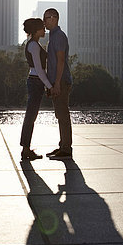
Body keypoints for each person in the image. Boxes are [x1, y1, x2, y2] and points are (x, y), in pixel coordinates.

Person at [20, 18, 53, 160]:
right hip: (35, 81)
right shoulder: (33, 45)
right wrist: (49, 86)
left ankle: (26, 148)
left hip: (36, 81)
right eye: (42, 28)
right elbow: (39, 69)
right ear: (35, 30)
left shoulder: (35, 44)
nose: (44, 30)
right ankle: (25, 149)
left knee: (31, 115)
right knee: (30, 116)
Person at [43, 8, 73, 158]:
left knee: (63, 115)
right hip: (56, 81)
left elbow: (61, 61)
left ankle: (66, 149)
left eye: (46, 18)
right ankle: (63, 145)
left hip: (61, 81)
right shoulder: (53, 37)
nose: (44, 22)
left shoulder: (59, 36)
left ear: (54, 18)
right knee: (60, 115)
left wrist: (57, 84)